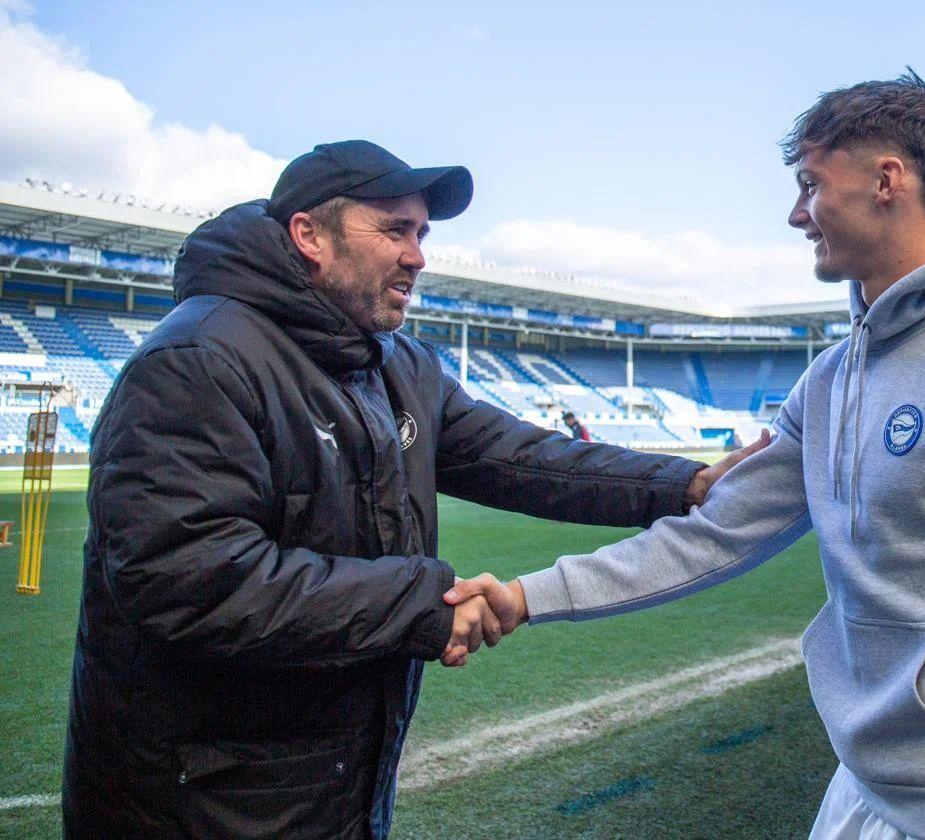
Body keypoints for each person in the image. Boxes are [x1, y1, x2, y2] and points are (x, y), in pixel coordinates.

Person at [449, 73, 925, 839]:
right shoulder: (832, 377)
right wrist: (527, 596)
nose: (797, 213)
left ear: (887, 181)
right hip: (861, 788)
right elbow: (713, 535)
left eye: (811, 185)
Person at [61, 140, 765, 839]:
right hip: (197, 800)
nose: (418, 255)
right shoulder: (200, 361)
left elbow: (518, 457)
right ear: (309, 235)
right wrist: (421, 602)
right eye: (395, 229)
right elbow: (187, 580)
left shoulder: (395, 363)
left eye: (422, 233)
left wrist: (686, 483)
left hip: (330, 781)